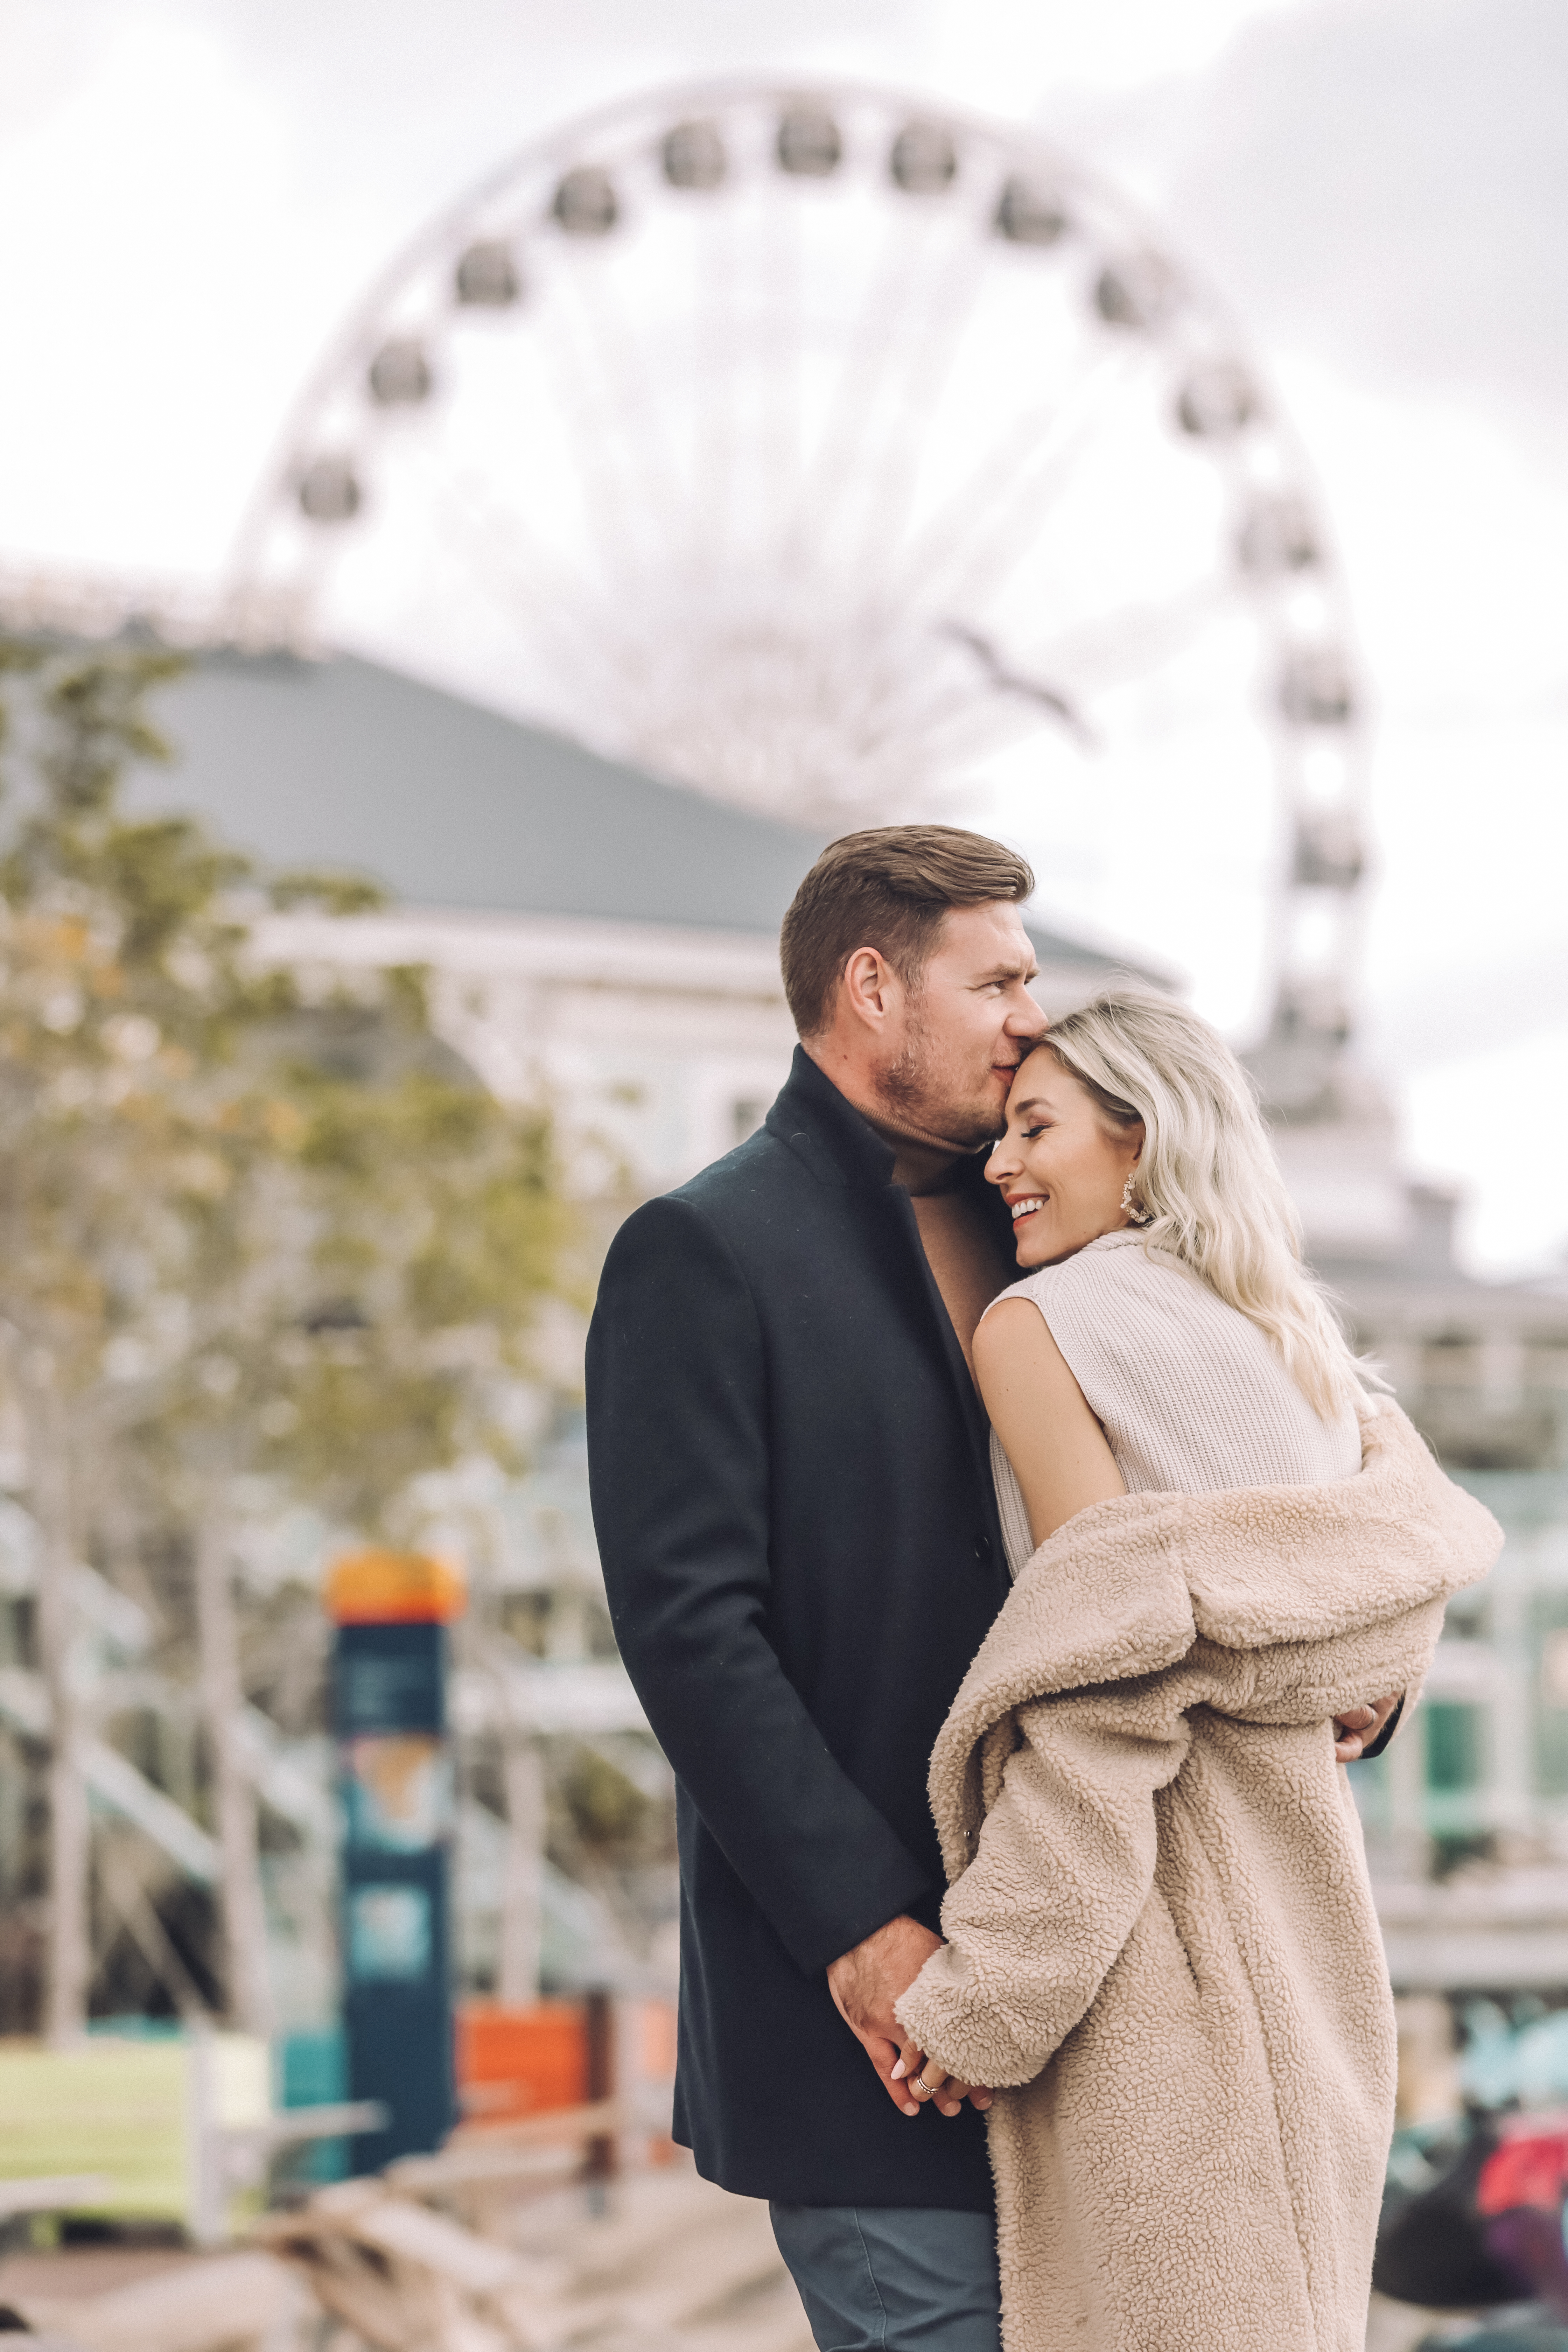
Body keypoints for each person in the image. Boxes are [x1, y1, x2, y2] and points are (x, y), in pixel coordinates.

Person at [586, 841, 1395, 2352]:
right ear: (872, 987)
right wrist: (867, 1931)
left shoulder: (1077, 1197)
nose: (1030, 1017)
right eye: (998, 980)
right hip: (880, 2037)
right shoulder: (702, 1254)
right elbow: (691, 1634)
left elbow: (1307, 1459)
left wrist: (1364, 1669)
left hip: (1139, 2014)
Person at [890, 988, 1496, 2352]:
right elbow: (1399, 1587)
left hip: (1171, 1957)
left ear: (1141, 1133)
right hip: (1321, 1942)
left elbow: (1103, 1688)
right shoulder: (1306, 1354)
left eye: (1034, 1126)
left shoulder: (1037, 1325)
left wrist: (988, 1997)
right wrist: (1359, 1688)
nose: (999, 1165)